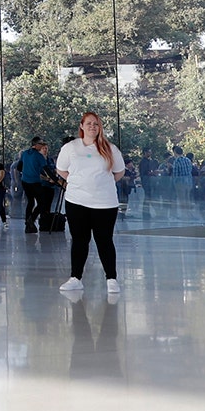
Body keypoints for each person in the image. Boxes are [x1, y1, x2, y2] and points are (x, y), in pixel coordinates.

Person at [56, 112, 125, 294]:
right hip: (77, 202)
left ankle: (111, 279)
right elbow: (61, 170)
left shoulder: (110, 148)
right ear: (81, 126)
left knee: (104, 240)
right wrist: (79, 182)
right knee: (79, 240)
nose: (92, 126)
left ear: (99, 127)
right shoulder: (71, 148)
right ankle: (75, 278)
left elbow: (119, 172)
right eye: (88, 123)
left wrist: (101, 184)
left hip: (105, 203)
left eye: (95, 124)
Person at [19, 138, 54, 234]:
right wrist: (55, 179)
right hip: (35, 182)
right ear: (35, 144)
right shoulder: (39, 156)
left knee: (30, 202)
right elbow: (46, 169)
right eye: (41, 144)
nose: (42, 146)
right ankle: (31, 219)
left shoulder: (25, 153)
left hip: (25, 181)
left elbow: (19, 166)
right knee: (42, 203)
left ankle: (28, 224)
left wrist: (27, 171)